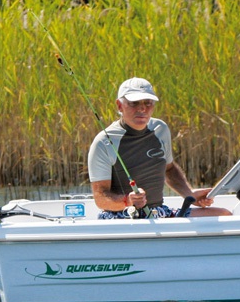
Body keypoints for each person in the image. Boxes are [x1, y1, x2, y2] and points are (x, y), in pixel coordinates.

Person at [88, 77, 231, 218]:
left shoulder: (160, 129)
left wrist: (190, 194)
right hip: (123, 216)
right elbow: (100, 198)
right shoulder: (103, 142)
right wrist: (127, 201)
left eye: (148, 102)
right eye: (134, 103)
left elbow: (169, 169)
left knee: (224, 214)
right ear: (119, 105)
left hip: (158, 212)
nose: (142, 108)